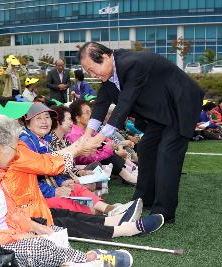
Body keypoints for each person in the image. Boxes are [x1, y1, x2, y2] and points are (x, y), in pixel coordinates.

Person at [0, 114, 135, 267]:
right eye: (14, 148)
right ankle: (87, 259)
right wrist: (24, 236)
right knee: (40, 244)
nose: (17, 153)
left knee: (53, 230)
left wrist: (35, 228)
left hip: (2, 235)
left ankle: (76, 261)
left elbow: (12, 212)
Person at [79, 42, 205, 223]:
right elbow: (100, 105)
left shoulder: (131, 64)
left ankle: (163, 212)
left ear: (105, 57)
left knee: (167, 153)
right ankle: (144, 198)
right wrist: (86, 136)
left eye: (93, 69)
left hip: (180, 105)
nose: (92, 74)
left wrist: (98, 138)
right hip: (162, 112)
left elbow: (124, 105)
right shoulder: (109, 77)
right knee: (146, 148)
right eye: (88, 72)